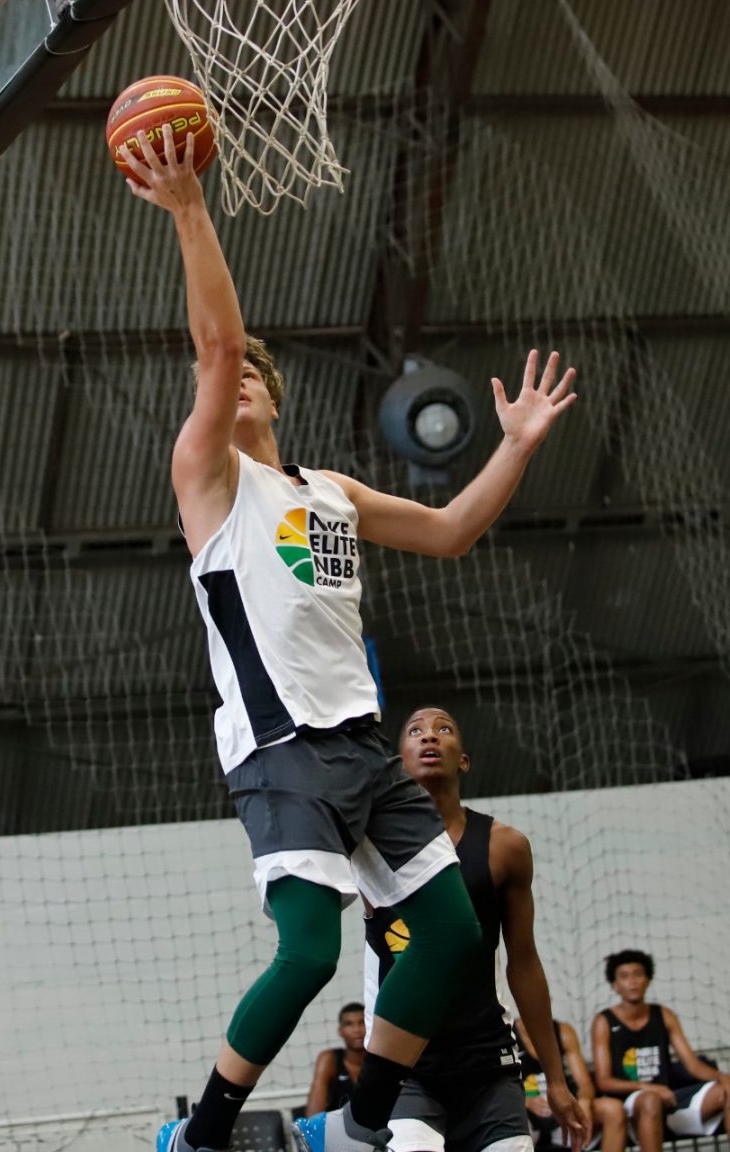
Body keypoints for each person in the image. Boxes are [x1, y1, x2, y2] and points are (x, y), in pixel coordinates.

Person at [119, 126, 577, 1152]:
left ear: (276, 395)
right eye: (224, 376)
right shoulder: (208, 479)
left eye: (252, 374)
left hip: (365, 750)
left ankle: (359, 1123)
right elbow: (218, 347)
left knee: (449, 931)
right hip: (282, 749)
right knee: (310, 956)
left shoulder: (329, 490)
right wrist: (189, 207)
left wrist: (513, 448)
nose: (234, 379)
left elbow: (451, 531)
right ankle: (204, 1133)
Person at [357, 706, 589, 1152]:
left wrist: (556, 1081)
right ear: (399, 762)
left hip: (487, 1062)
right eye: (416, 730)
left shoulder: (505, 847)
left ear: (463, 760)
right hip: (404, 1066)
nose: (430, 736)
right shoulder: (367, 844)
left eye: (443, 728)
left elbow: (524, 963)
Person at [592, 948, 730, 1152]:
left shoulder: (664, 1015)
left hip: (668, 1100)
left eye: (638, 974)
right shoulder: (604, 1021)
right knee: (650, 1100)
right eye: (625, 976)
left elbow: (692, 1064)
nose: (632, 981)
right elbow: (604, 1081)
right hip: (630, 1108)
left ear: (647, 979)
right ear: (615, 985)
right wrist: (650, 1088)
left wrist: (722, 1077)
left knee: (728, 1088)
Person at [515, 1016, 625, 1152]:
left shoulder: (563, 1031)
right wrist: (525, 1101)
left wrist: (584, 1102)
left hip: (563, 1107)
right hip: (526, 1112)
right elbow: (498, 1088)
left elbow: (584, 1084)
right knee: (513, 1121)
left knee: (613, 1109)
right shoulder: (507, 1034)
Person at [305, 1003, 367, 1117]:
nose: (357, 1030)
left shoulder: (383, 1059)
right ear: (340, 1031)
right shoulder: (330, 1060)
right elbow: (313, 1116)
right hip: (338, 1125)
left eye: (362, 1022)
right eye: (349, 1024)